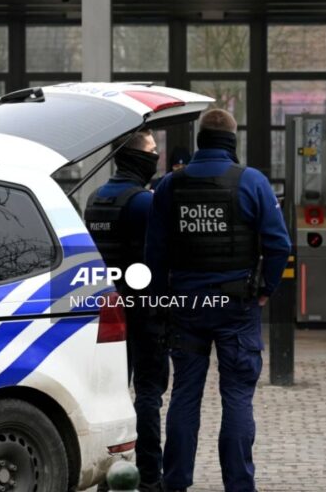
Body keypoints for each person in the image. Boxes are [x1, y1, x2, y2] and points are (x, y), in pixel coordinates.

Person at [146, 109, 291, 492]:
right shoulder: (252, 182)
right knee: (238, 397)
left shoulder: (169, 186)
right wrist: (265, 289)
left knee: (184, 396)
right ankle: (239, 485)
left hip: (186, 308)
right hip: (236, 308)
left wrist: (163, 303)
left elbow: (155, 255)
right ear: (232, 141)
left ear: (200, 140)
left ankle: (175, 481)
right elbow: (280, 244)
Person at [85, 130, 169, 492]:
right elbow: (161, 256)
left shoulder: (95, 199)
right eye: (152, 151)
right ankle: (150, 476)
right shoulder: (144, 203)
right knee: (148, 393)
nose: (157, 156)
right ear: (137, 158)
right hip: (144, 311)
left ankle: (109, 474)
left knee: (109, 396)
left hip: (107, 312)